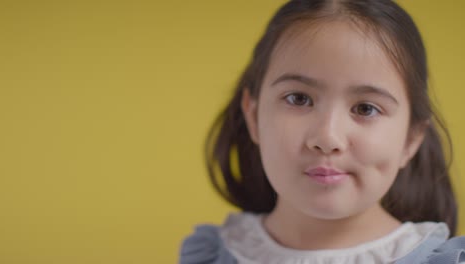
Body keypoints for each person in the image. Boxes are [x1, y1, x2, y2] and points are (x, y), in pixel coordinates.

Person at [180, 0, 465, 263]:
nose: (328, 138)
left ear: (411, 138)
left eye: (365, 108)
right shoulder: (212, 255)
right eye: (299, 99)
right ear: (253, 116)